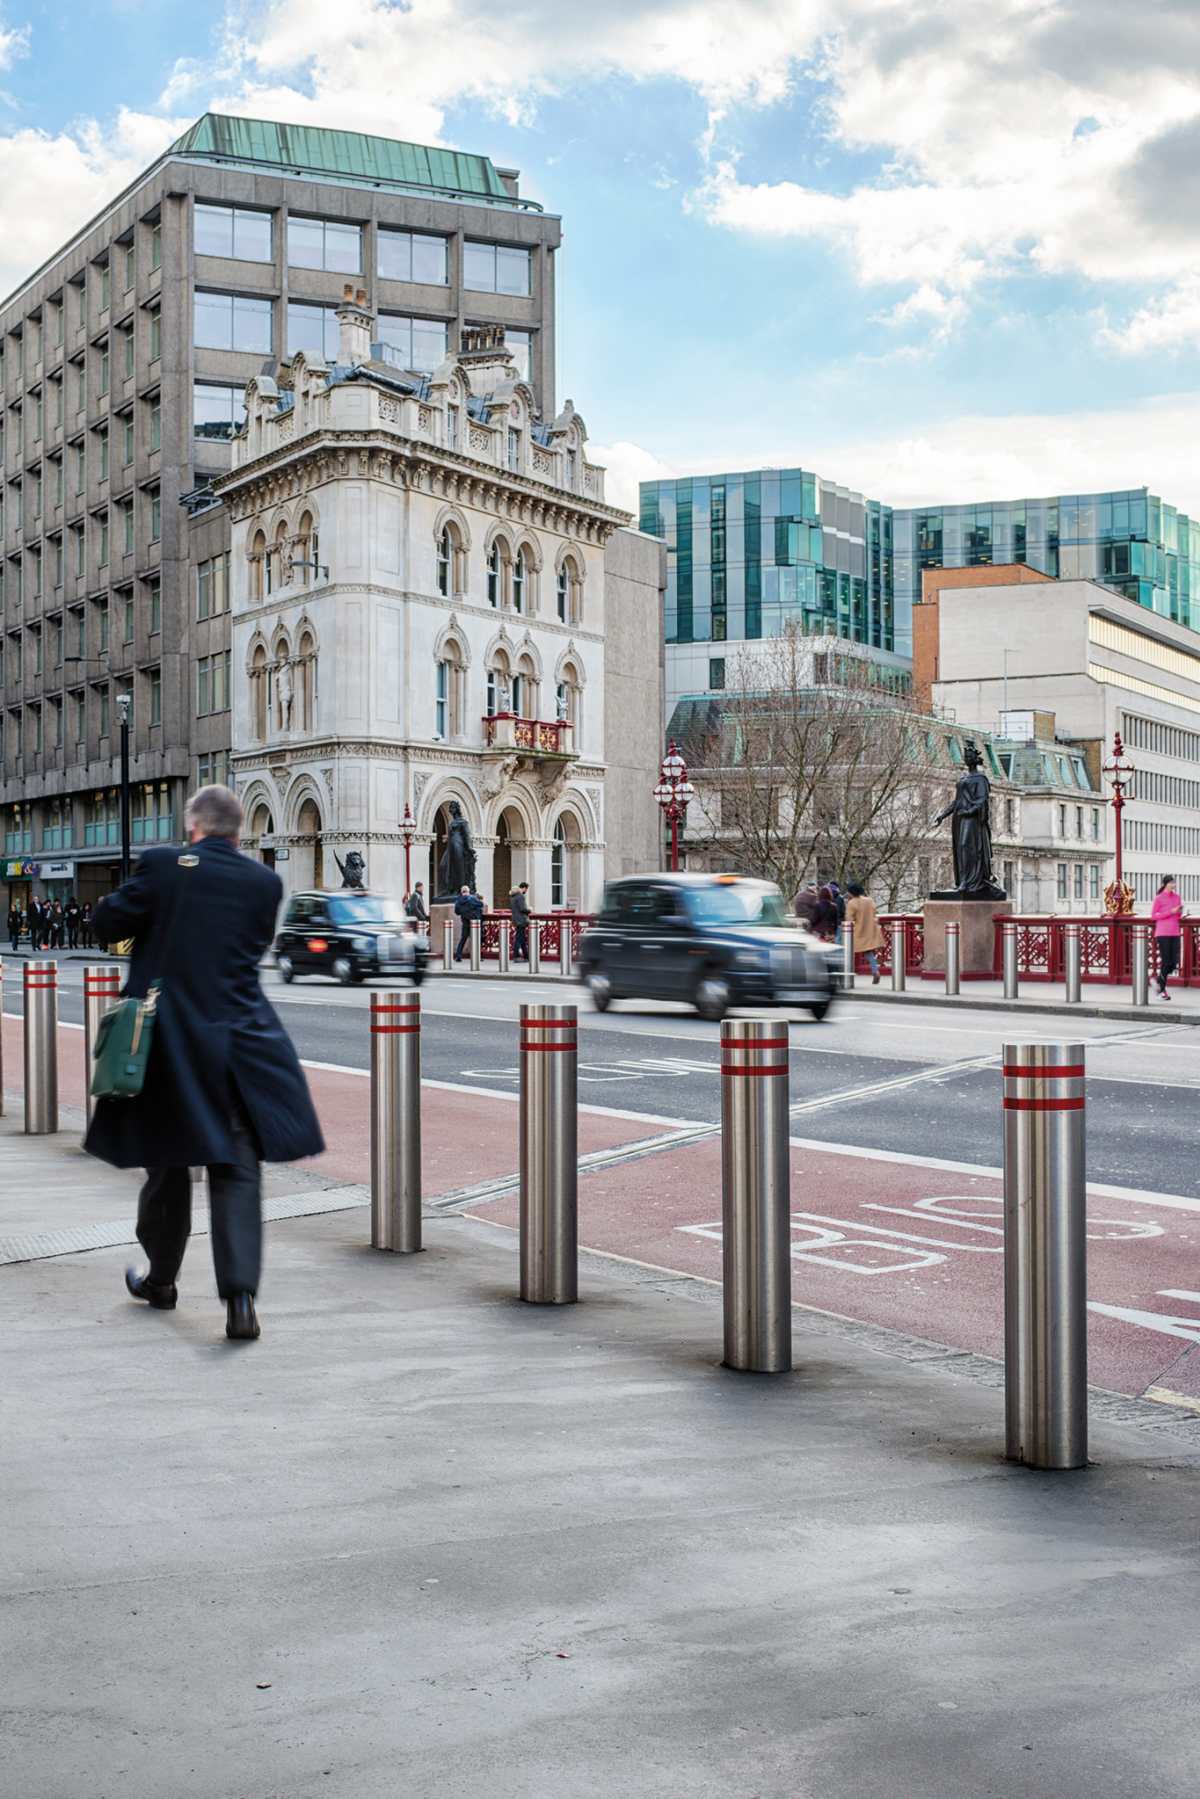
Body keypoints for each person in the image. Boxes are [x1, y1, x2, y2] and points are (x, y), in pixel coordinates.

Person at [84, 784, 325, 1343]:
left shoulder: (165, 865)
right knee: (237, 1170)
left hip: (171, 1043)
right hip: (243, 1043)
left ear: (193, 826)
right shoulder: (264, 882)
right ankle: (240, 1301)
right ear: (237, 833)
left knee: (166, 1168)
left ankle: (161, 1281)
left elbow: (106, 925)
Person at [844, 882, 885, 984]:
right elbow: (875, 913)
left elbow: (849, 919)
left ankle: (847, 973)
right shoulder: (869, 900)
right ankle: (875, 971)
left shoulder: (852, 903)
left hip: (859, 931)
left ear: (851, 892)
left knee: (848, 951)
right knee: (868, 952)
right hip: (872, 929)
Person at [1151, 874, 1184, 1000]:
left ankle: (1158, 982)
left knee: (1174, 963)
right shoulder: (1159, 898)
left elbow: (1178, 916)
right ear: (1165, 884)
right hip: (1163, 933)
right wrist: (1171, 912)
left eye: (1174, 883)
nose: (1174, 885)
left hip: (1175, 932)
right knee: (1166, 962)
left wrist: (1179, 912)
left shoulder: (1177, 897)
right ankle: (1161, 991)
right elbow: (1153, 916)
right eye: (1171, 883)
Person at [453, 884, 484, 961]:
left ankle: (458, 955)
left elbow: (457, 912)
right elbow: (481, 904)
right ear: (468, 891)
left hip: (465, 921)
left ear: (461, 892)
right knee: (476, 939)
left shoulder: (458, 901)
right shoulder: (471, 898)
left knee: (463, 938)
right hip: (474, 922)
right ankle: (477, 956)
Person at [508, 880, 531, 960]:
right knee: (519, 938)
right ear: (524, 888)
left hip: (515, 919)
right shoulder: (520, 896)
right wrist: (529, 910)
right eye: (526, 889)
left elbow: (511, 908)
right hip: (521, 920)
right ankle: (516, 956)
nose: (526, 891)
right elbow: (522, 909)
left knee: (522, 938)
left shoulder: (512, 897)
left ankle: (526, 956)